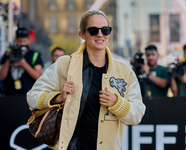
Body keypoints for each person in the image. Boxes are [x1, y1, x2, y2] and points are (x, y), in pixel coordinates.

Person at [27, 10, 146, 150]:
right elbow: (32, 97)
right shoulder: (64, 64)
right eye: (93, 30)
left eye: (105, 30)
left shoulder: (125, 71)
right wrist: (57, 97)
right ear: (82, 34)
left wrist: (117, 103)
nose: (100, 34)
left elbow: (137, 114)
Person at [0, 27, 43, 96]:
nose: (22, 43)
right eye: (20, 41)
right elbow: (1, 76)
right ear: (16, 40)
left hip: (29, 95)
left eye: (24, 41)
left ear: (29, 40)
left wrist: (24, 64)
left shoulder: (34, 54)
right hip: (10, 95)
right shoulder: (8, 53)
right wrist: (9, 59)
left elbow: (38, 77)